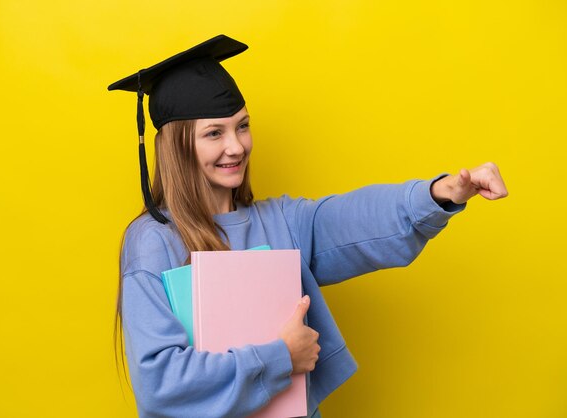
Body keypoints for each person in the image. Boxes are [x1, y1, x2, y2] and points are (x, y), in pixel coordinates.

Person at [108, 35, 508, 418]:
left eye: (242, 126)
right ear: (177, 147)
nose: (237, 146)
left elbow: (356, 218)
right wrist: (282, 356)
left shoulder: (281, 221)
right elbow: (160, 383)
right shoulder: (153, 242)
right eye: (215, 133)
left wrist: (442, 192)